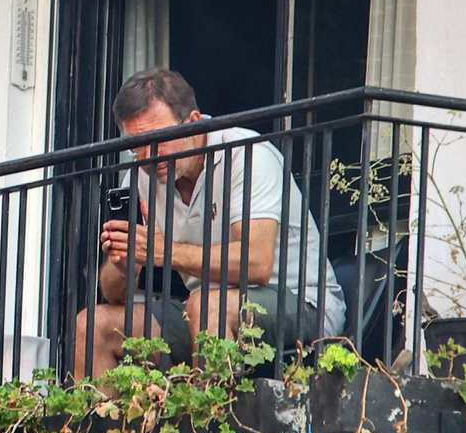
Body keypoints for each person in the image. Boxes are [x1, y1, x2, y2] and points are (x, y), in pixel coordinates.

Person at [74, 69, 346, 378]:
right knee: (91, 324)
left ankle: (209, 422)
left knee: (206, 305)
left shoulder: (247, 153)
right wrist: (126, 265)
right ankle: (95, 426)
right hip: (203, 312)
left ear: (192, 122)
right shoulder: (140, 177)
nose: (147, 156)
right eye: (136, 145)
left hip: (301, 304)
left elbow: (256, 263)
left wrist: (163, 252)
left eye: (158, 140)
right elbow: (113, 294)